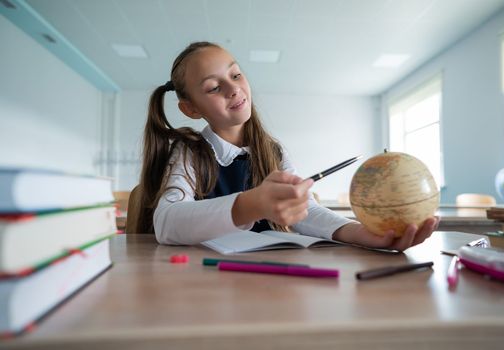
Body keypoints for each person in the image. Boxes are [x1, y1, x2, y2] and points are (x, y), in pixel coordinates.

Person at [137, 41, 438, 251]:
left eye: (236, 74)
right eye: (214, 88)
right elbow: (166, 222)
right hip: (202, 283)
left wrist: (358, 233)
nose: (233, 89)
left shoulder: (274, 150)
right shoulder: (189, 151)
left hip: (267, 280)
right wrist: (252, 204)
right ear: (191, 109)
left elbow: (305, 210)